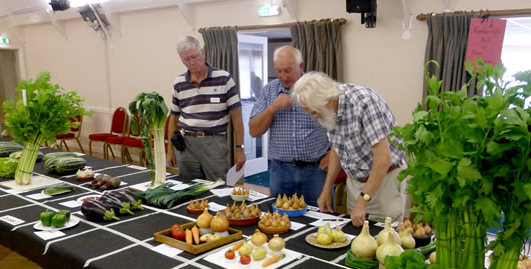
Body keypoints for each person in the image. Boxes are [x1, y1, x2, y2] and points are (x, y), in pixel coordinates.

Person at [291, 71, 407, 227]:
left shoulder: (364, 103)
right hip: (355, 184)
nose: (313, 117)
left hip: (385, 181)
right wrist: (327, 189)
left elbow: (383, 160)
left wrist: (363, 200)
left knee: (385, 239)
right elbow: (337, 149)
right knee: (356, 237)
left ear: (326, 99)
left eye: (313, 112)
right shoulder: (329, 110)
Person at [248, 46, 330, 206]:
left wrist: (333, 152)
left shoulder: (319, 89)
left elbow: (339, 123)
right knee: (280, 220)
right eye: (279, 71)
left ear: (301, 66)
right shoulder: (269, 91)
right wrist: (273, 107)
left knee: (320, 219)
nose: (283, 77)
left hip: (316, 170)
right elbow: (254, 130)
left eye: (287, 70)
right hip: (281, 170)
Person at [166, 36, 246, 182]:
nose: (192, 62)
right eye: (186, 60)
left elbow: (237, 117)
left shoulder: (224, 78)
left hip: (214, 143)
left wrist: (240, 148)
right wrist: (170, 149)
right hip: (186, 145)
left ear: (202, 53)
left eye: (195, 57)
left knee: (218, 188)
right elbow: (174, 117)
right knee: (188, 188)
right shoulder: (179, 83)